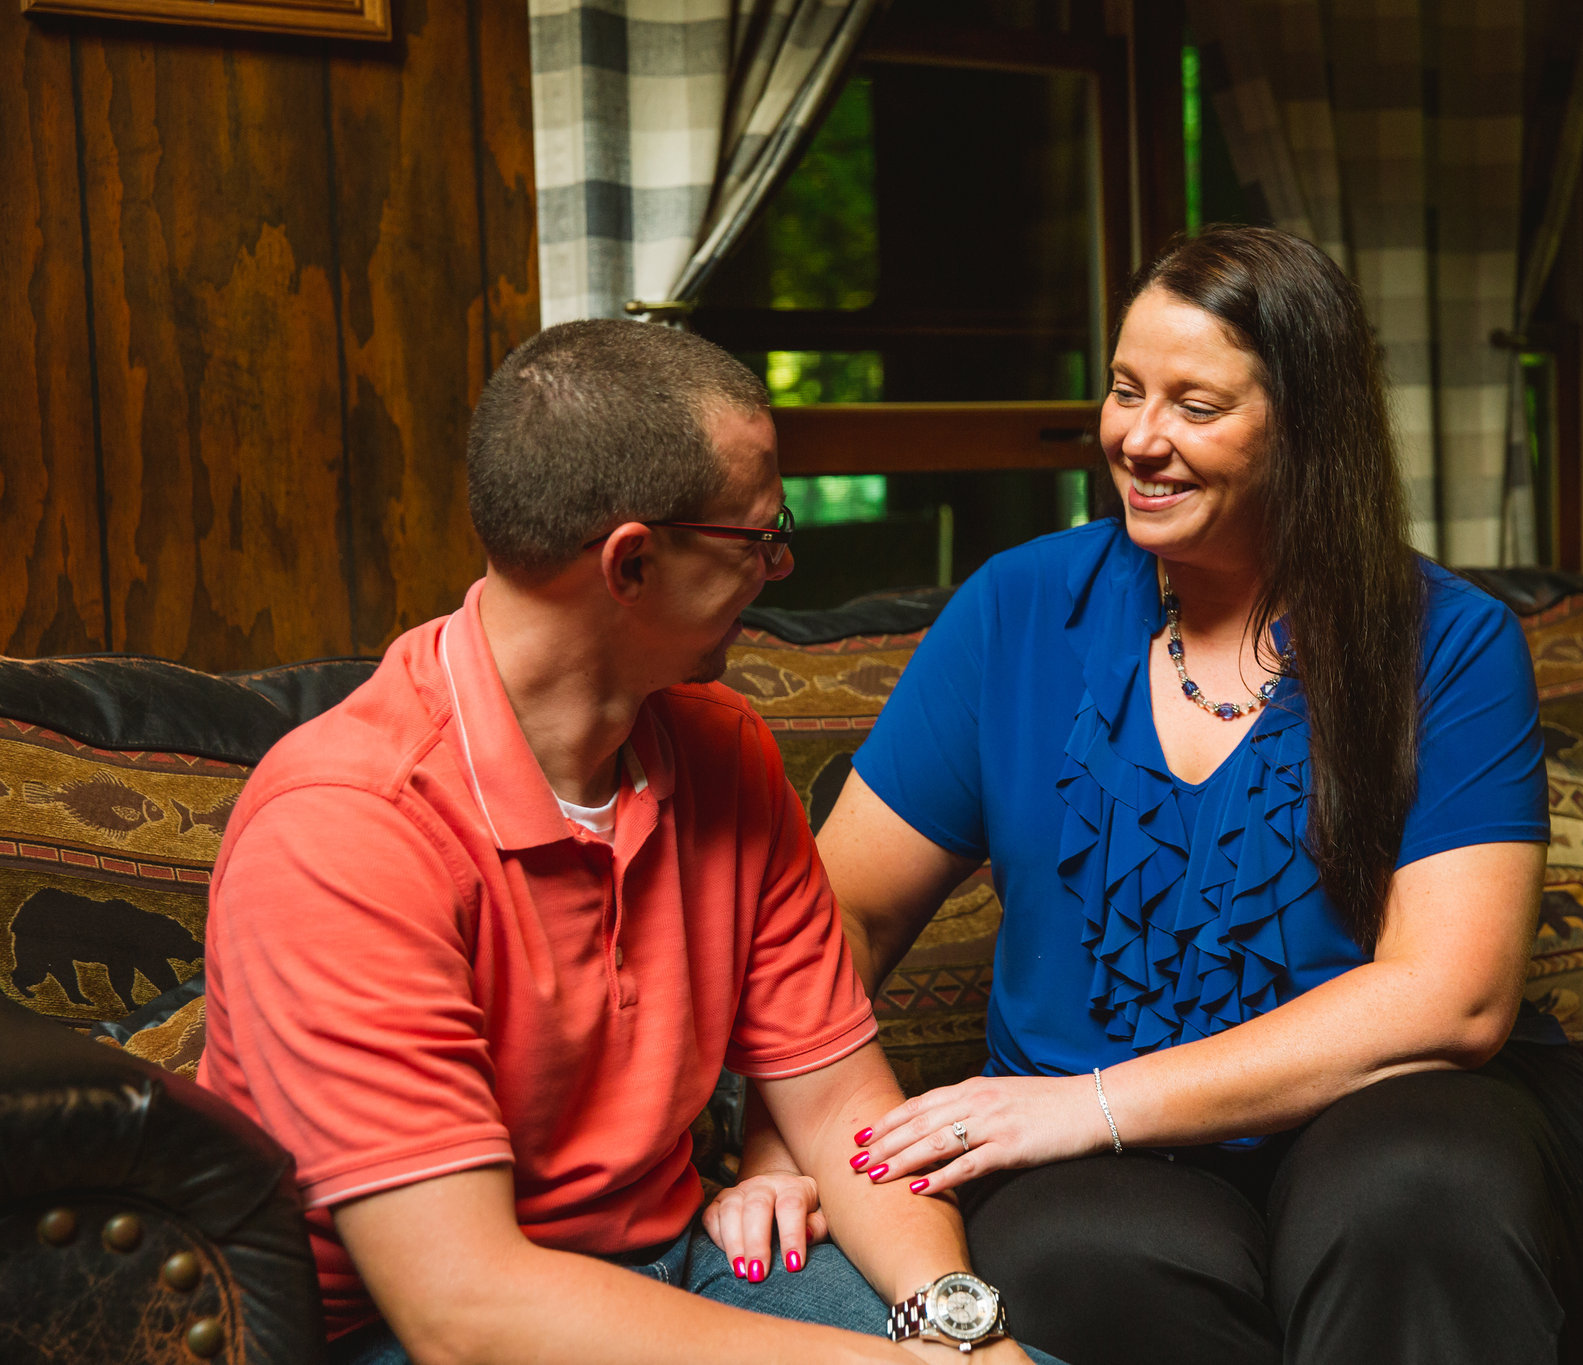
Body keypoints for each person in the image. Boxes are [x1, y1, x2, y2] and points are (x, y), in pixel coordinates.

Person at [730, 227, 1583, 1364]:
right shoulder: (1018, 609)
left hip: (1383, 1115)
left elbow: (1452, 998)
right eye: (1125, 391)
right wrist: (782, 1149)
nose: (1139, 438)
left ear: (1309, 427)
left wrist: (1091, 1103)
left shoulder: (1450, 643)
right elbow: (840, 916)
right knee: (1077, 1256)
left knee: (1411, 1190)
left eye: (1196, 406)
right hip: (1102, 1172)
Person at [198, 320, 1054, 1365]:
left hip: (676, 1257)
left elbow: (840, 1112)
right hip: (406, 1332)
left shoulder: (724, 750)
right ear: (632, 561)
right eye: (757, 538)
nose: (780, 565)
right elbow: (463, 1310)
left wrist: (958, 1326)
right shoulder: (343, 828)